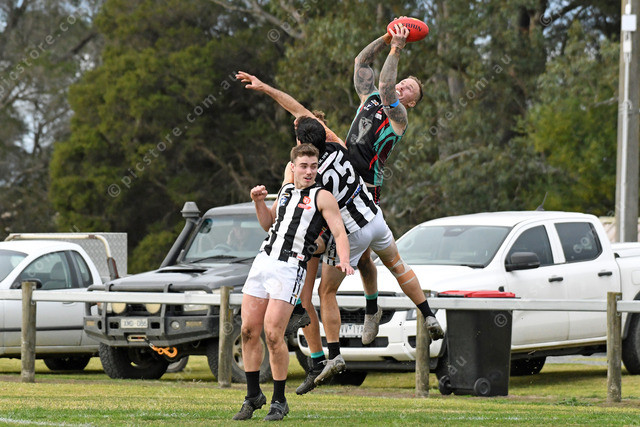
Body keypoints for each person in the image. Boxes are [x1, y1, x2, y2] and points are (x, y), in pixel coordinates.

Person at [233, 144, 354, 421]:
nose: (309, 171)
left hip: (290, 267)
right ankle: (253, 396)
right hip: (263, 261)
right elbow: (268, 224)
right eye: (304, 166)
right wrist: (258, 202)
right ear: (293, 167)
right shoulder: (286, 190)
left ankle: (279, 400)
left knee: (273, 334)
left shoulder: (322, 196)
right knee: (248, 330)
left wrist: (344, 259)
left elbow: (339, 232)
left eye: (314, 166)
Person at [348, 23, 428, 345]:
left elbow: (385, 85)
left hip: (368, 188)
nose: (403, 87)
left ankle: (375, 310)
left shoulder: (399, 117)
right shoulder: (368, 97)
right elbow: (360, 62)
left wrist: (397, 48)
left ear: (410, 103)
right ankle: (371, 309)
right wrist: (386, 37)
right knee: (358, 257)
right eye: (404, 82)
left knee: (369, 256)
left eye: (409, 90)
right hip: (344, 178)